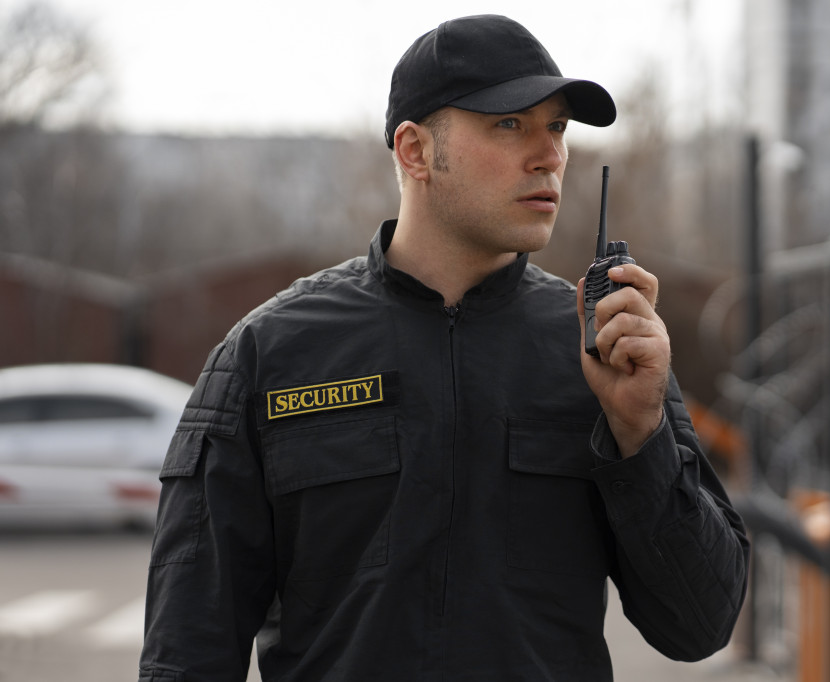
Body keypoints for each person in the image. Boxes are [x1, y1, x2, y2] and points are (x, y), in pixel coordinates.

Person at [139, 14, 749, 682]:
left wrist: (642, 435)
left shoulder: (606, 348)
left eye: (558, 126)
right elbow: (186, 651)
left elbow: (700, 625)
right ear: (415, 151)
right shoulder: (269, 353)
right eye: (510, 123)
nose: (549, 154)